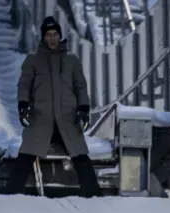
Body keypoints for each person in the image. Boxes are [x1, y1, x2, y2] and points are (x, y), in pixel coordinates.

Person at [6, 16, 102, 198]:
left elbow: (80, 86)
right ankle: (12, 194)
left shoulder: (71, 61)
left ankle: (93, 195)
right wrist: (23, 105)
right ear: (43, 37)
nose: (52, 38)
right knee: (26, 154)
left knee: (81, 156)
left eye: (55, 34)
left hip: (67, 120)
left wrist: (83, 108)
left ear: (60, 36)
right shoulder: (33, 60)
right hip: (41, 119)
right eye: (48, 35)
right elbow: (24, 85)